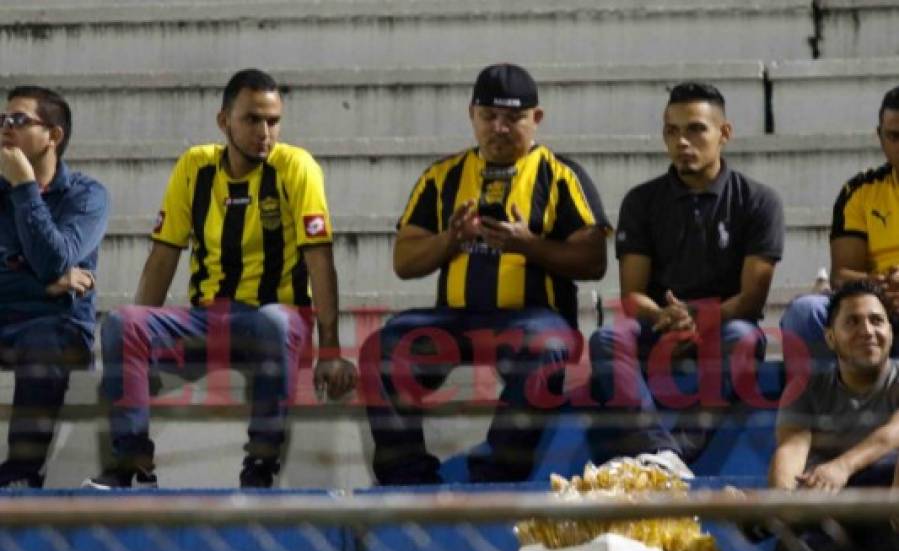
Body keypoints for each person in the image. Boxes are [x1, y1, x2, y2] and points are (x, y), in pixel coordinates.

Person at [85, 68, 356, 489]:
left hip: (276, 320)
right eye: (252, 120)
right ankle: (132, 462)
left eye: (273, 120)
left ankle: (261, 465)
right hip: (208, 321)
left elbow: (321, 261)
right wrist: (141, 341)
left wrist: (332, 348)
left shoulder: (296, 167)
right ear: (224, 121)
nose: (265, 132)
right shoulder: (196, 167)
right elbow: (162, 257)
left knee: (275, 322)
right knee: (123, 322)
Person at [360, 63, 609, 484]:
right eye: (488, 116)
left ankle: (495, 475)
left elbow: (594, 260)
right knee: (381, 348)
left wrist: (526, 243)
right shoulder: (443, 177)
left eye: (513, 118)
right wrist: (451, 240)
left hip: (533, 319)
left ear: (537, 119)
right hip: (456, 320)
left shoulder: (562, 175)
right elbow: (405, 261)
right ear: (471, 115)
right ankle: (408, 478)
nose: (499, 128)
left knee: (547, 344)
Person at [589, 81, 784, 463]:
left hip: (725, 325)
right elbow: (633, 295)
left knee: (744, 339)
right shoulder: (642, 200)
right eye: (672, 131)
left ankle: (677, 451)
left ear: (724, 133)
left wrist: (701, 318)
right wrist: (665, 317)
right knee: (607, 340)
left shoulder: (759, 201)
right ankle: (658, 450)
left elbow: (751, 299)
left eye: (695, 129)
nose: (682, 142)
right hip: (659, 325)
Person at [769, 280, 899, 551]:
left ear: (892, 331)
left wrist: (841, 466)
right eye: (853, 322)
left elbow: (894, 433)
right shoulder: (806, 388)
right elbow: (791, 450)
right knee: (798, 530)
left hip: (889, 512)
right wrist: (782, 503)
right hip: (830, 514)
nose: (868, 331)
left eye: (877, 320)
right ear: (830, 337)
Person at [0, 86, 107, 488]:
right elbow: (52, 273)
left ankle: (21, 474)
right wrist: (42, 286)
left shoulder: (87, 196)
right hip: (15, 312)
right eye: (3, 120)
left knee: (45, 343)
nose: (6, 128)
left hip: (56, 327)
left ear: (53, 137)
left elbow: (54, 259)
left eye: (20, 120)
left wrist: (25, 188)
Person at [781, 85, 899, 370]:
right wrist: (882, 288)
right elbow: (843, 275)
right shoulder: (860, 192)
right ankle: (820, 412)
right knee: (805, 313)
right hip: (877, 306)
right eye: (894, 136)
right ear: (879, 137)